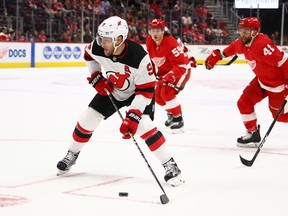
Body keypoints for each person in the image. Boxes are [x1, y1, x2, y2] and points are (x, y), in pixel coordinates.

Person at [56, 16, 184, 187]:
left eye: (106, 40)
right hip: (113, 89)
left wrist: (134, 115)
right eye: (101, 38)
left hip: (138, 93)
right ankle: (72, 154)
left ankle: (171, 165)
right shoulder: (98, 46)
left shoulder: (139, 56)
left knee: (144, 125)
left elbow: (146, 90)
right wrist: (96, 75)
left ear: (119, 39)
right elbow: (88, 55)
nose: (102, 43)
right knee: (88, 118)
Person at [205, 17, 288, 148]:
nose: (242, 33)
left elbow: (285, 61)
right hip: (261, 81)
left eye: (246, 30)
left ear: (254, 31)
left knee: (281, 117)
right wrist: (218, 55)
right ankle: (253, 133)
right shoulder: (243, 42)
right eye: (241, 30)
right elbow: (231, 49)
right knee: (244, 103)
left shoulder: (263, 45)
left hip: (277, 85)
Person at [145, 19, 197, 133]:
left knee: (167, 93)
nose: (155, 34)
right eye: (153, 30)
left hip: (182, 70)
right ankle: (172, 114)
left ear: (163, 31)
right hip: (165, 72)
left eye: (158, 30)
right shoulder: (149, 41)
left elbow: (182, 65)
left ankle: (178, 119)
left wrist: (170, 76)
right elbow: (150, 60)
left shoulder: (170, 43)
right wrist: (153, 74)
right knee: (157, 96)